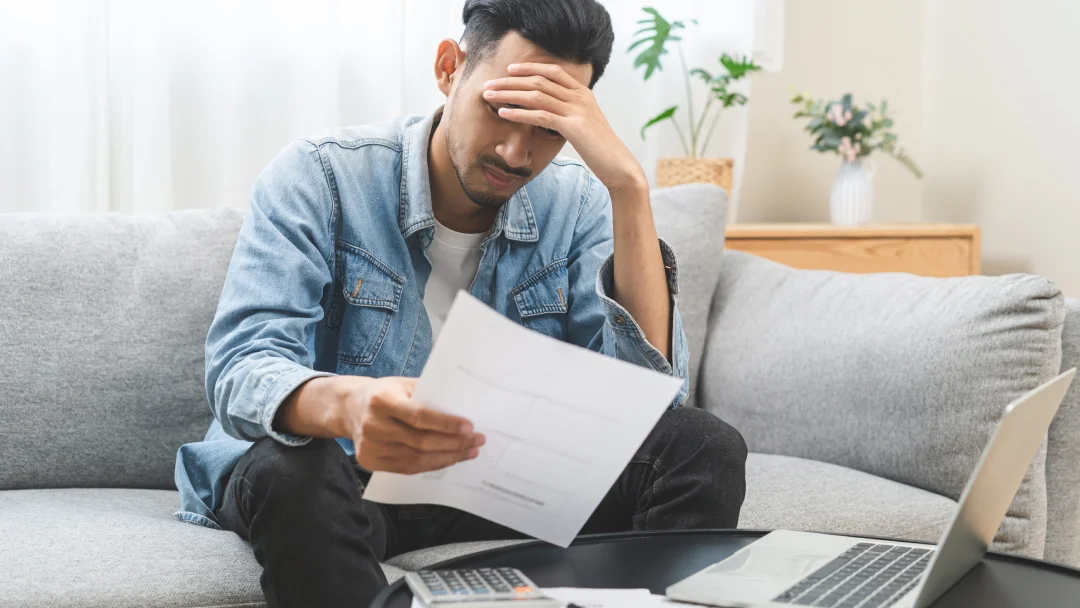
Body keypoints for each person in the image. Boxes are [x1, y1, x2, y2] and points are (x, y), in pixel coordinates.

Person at [173, 0, 748, 605]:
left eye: (549, 128)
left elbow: (646, 408)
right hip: (347, 475)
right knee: (294, 470)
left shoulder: (579, 205)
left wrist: (628, 189)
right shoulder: (320, 176)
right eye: (502, 109)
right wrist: (348, 404)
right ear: (450, 68)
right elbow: (241, 366)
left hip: (501, 483)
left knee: (700, 445)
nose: (516, 154)